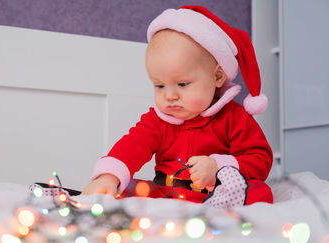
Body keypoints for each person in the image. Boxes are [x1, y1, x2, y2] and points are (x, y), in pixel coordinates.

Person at [82, 5, 273, 208]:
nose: (170, 96)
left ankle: (223, 203)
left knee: (260, 192)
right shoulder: (157, 121)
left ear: (217, 76)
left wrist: (218, 167)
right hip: (166, 193)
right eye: (159, 85)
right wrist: (109, 177)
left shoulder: (235, 117)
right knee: (125, 189)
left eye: (182, 84)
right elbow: (132, 147)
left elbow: (259, 159)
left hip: (216, 191)